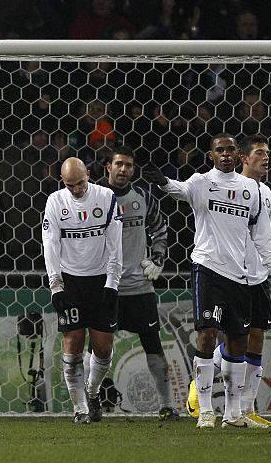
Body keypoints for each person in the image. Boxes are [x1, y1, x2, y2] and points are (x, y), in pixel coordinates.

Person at [146, 133, 271, 428]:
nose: (225, 154)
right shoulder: (201, 182)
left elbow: (263, 237)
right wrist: (162, 182)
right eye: (219, 150)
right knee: (207, 334)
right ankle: (206, 410)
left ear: (238, 155)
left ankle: (233, 414)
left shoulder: (252, 189)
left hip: (241, 275)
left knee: (238, 342)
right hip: (208, 268)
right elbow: (179, 191)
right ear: (211, 155)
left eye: (230, 150)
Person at [187, 135, 271, 427]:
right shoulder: (216, 186)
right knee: (215, 333)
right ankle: (201, 393)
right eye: (259, 153)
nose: (266, 158)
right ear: (244, 158)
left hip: (257, 275)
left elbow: (264, 237)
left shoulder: (262, 191)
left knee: (253, 339)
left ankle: (243, 411)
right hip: (228, 273)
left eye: (268, 153)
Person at [42, 157, 123, 424]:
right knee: (72, 343)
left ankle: (93, 390)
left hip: (100, 280)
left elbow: (115, 245)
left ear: (89, 174)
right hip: (70, 281)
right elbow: (50, 243)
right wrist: (56, 286)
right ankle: (80, 409)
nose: (76, 189)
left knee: (103, 347)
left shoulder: (106, 197)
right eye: (70, 185)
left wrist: (112, 283)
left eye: (80, 183)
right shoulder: (55, 201)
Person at [104, 146, 177, 420]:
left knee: (153, 346)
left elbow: (160, 228)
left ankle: (167, 404)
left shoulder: (144, 197)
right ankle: (90, 400)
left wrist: (158, 257)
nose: (124, 170)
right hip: (106, 288)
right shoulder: (96, 198)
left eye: (129, 166)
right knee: (99, 349)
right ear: (108, 168)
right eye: (119, 164)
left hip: (139, 288)